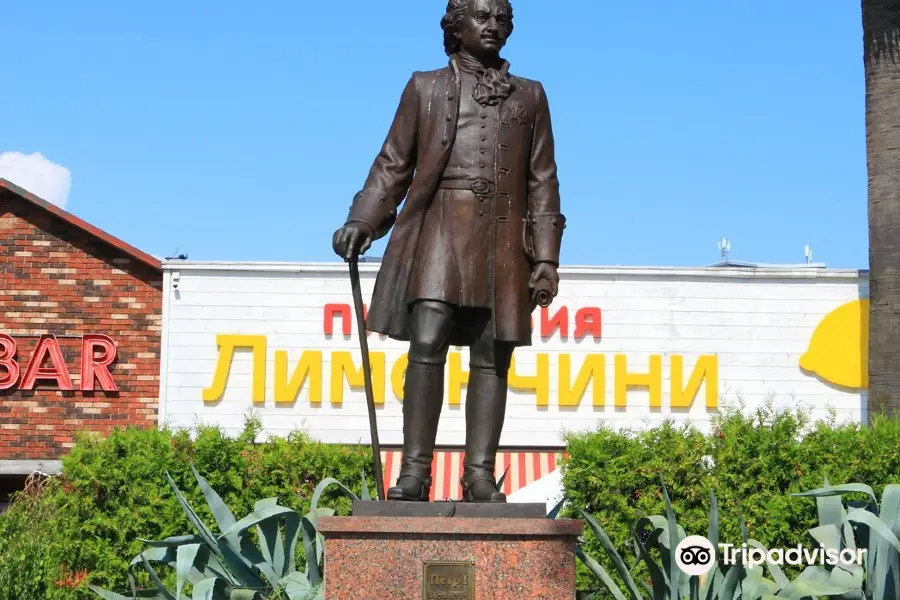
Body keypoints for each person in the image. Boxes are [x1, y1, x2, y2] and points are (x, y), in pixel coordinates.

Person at [332, 0, 565, 503]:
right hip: (440, 228)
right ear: (456, 27)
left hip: (503, 241)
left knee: (491, 355)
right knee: (428, 341)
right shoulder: (425, 86)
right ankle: (414, 473)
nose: (494, 26)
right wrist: (362, 220)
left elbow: (542, 178)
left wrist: (545, 259)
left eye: (502, 18)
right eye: (483, 16)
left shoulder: (531, 95)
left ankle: (480, 473)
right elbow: (394, 163)